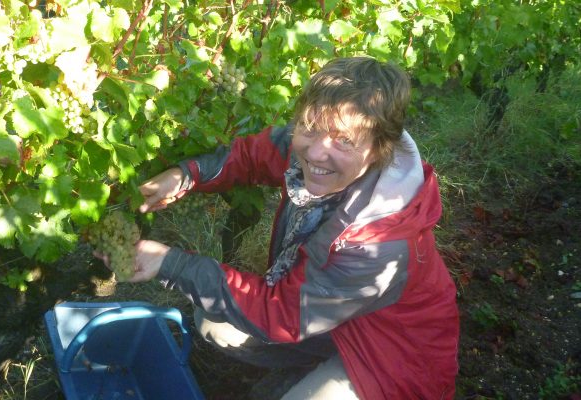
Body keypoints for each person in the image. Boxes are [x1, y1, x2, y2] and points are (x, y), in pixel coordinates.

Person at [120, 56, 459, 399]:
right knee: (214, 321)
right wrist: (187, 174)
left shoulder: (376, 243)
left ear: (379, 148)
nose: (314, 153)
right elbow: (256, 154)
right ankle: (313, 367)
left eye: (343, 140)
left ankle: (317, 381)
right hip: (328, 313)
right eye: (309, 127)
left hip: (392, 357)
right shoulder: (319, 145)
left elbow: (281, 313)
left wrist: (171, 264)